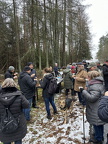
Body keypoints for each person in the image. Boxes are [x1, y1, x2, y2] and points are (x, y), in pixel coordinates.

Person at [0, 78, 29, 144]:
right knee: (18, 139)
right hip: (18, 122)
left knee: (6, 140)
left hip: (3, 123)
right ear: (14, 84)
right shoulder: (19, 95)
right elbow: (27, 105)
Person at [82, 71, 105, 144]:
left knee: (97, 123)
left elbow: (92, 98)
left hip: (95, 108)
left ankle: (98, 139)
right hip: (99, 107)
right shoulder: (99, 83)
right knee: (99, 124)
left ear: (92, 77)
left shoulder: (95, 86)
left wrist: (84, 91)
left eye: (88, 77)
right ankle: (100, 136)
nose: (87, 78)